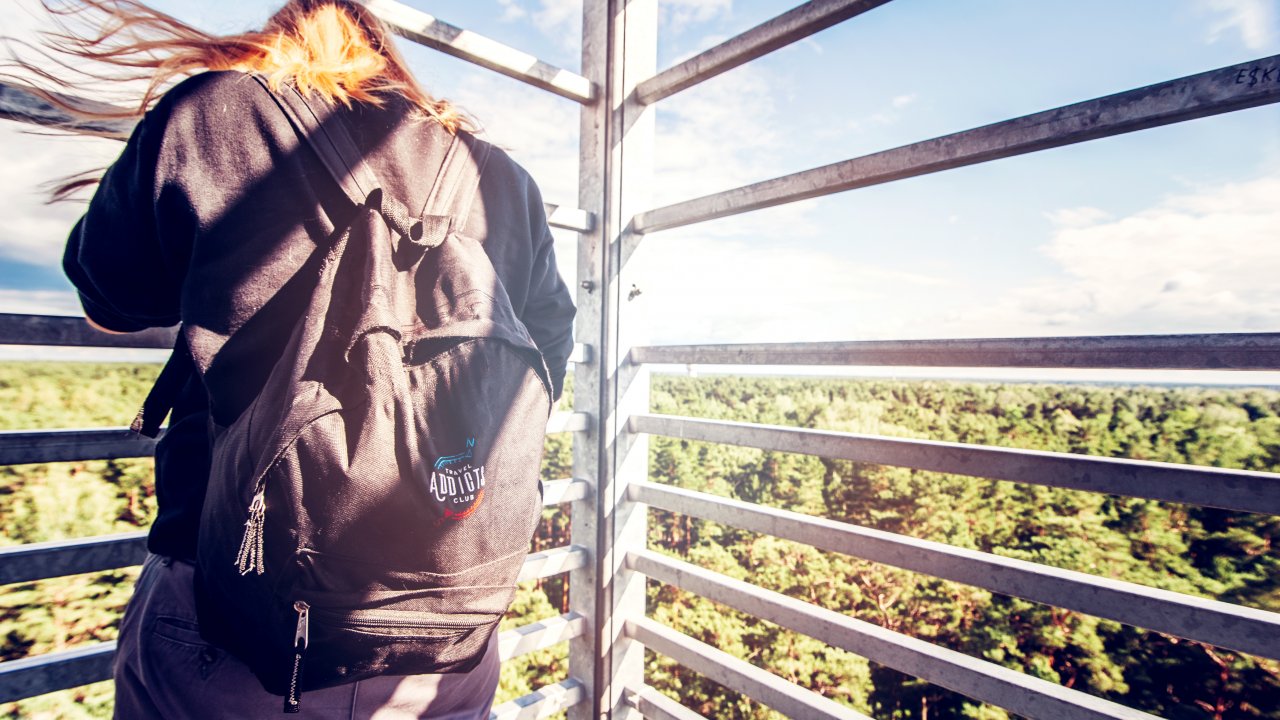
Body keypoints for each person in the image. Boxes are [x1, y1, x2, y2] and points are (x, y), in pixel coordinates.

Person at [18, 0, 576, 717]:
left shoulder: (212, 115)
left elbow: (108, 297)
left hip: (231, 621)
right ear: (388, 59)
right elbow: (545, 357)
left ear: (274, 42)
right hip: (447, 626)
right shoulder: (499, 178)